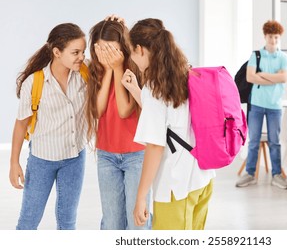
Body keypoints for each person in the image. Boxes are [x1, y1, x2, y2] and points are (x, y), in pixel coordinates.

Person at [126, 18, 216, 230]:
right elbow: (172, 121)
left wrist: (140, 197)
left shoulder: (155, 89)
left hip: (177, 186)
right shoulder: (185, 74)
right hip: (202, 178)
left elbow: (156, 146)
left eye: (131, 50)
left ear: (140, 49)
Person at [9, 23, 87, 230]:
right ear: (57, 52)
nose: (81, 57)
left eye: (83, 51)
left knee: (67, 221)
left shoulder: (84, 75)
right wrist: (14, 163)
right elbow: (20, 125)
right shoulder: (35, 83)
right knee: (29, 220)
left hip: (75, 159)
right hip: (42, 160)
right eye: (76, 52)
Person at [85, 19, 151, 230]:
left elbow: (124, 110)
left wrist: (117, 68)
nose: (108, 55)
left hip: (136, 155)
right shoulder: (95, 72)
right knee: (112, 223)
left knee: (137, 223)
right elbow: (97, 110)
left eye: (112, 50)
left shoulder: (135, 70)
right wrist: (108, 71)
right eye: (102, 50)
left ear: (123, 48)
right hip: (107, 155)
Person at [235, 20, 287, 189]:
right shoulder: (256, 55)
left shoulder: (283, 57)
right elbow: (251, 77)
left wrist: (263, 75)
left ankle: (276, 175)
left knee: (275, 141)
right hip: (257, 104)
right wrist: (274, 77)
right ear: (265, 36)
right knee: (253, 141)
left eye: (276, 37)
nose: (273, 40)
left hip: (275, 106)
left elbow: (284, 78)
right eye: (270, 37)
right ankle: (250, 174)